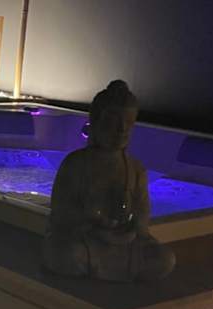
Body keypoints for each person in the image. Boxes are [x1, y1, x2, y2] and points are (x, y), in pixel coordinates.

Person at [42, 80, 175, 282]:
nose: (121, 129)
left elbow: (142, 211)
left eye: (128, 123)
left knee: (164, 259)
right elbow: (61, 211)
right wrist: (93, 219)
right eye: (114, 122)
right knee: (65, 254)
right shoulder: (75, 163)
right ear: (96, 123)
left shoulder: (135, 168)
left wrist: (134, 229)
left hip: (124, 242)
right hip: (86, 239)